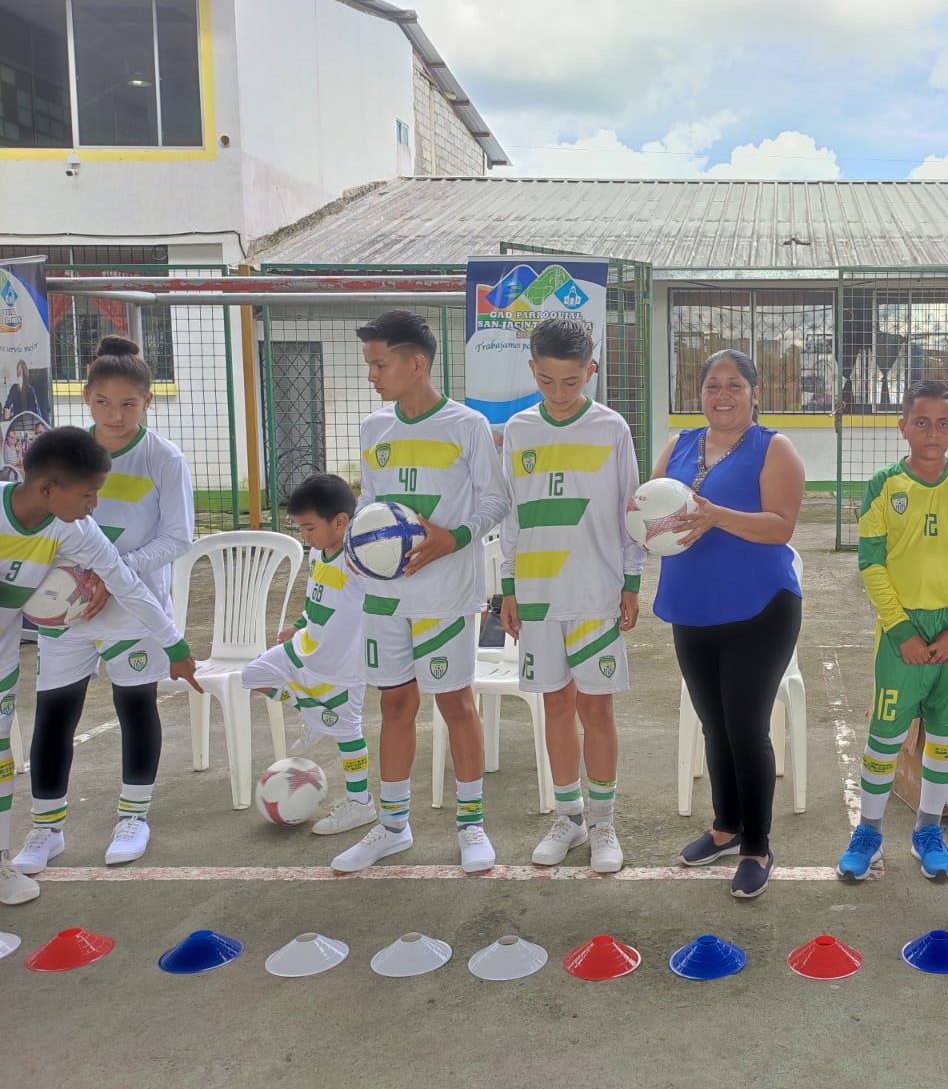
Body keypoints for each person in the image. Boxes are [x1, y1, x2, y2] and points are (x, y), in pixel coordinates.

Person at [332, 311, 511, 875]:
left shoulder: (466, 425)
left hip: (445, 594)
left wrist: (452, 537)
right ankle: (392, 828)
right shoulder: (374, 428)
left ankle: (471, 824)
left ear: (416, 363)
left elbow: (495, 501)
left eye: (379, 364)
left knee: (455, 703)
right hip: (385, 597)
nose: (372, 375)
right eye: (369, 365)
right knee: (394, 704)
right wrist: (356, 546)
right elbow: (372, 504)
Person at [0, 427, 201, 905]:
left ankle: (1, 863)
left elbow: (127, 583)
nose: (94, 506)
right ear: (48, 489)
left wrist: (175, 645)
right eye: (88, 494)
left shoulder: (73, 529)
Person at [651, 349, 803, 899]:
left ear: (754, 394)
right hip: (692, 607)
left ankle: (757, 846)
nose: (722, 395)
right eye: (712, 385)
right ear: (700, 394)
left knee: (745, 728)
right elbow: (651, 510)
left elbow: (780, 526)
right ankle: (725, 826)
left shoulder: (773, 447)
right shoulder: (678, 443)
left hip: (759, 608)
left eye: (734, 385)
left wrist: (716, 516)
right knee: (714, 725)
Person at [838, 379, 948, 883]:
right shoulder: (884, 485)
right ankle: (868, 832)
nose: (933, 432)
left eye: (943, 423)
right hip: (901, 630)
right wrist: (901, 628)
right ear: (903, 426)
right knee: (885, 735)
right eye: (922, 422)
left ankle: (928, 829)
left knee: (945, 735)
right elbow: (871, 563)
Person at [499, 318, 644, 873]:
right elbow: (513, 516)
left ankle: (604, 823)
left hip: (594, 591)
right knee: (555, 705)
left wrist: (631, 581)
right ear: (531, 370)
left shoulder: (611, 428)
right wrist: (508, 587)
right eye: (546, 381)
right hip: (537, 594)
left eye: (571, 381)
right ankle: (570, 817)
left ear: (591, 371)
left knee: (596, 706)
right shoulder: (518, 430)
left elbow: (630, 508)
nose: (558, 393)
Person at [243, 474, 375, 836]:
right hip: (304, 649)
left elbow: (382, 603)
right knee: (252, 675)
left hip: (343, 667)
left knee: (348, 733)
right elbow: (318, 594)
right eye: (300, 528)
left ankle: (361, 802)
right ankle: (310, 710)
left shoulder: (360, 563)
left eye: (309, 528)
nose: (304, 536)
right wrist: (300, 624)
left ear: (340, 522)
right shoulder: (318, 551)